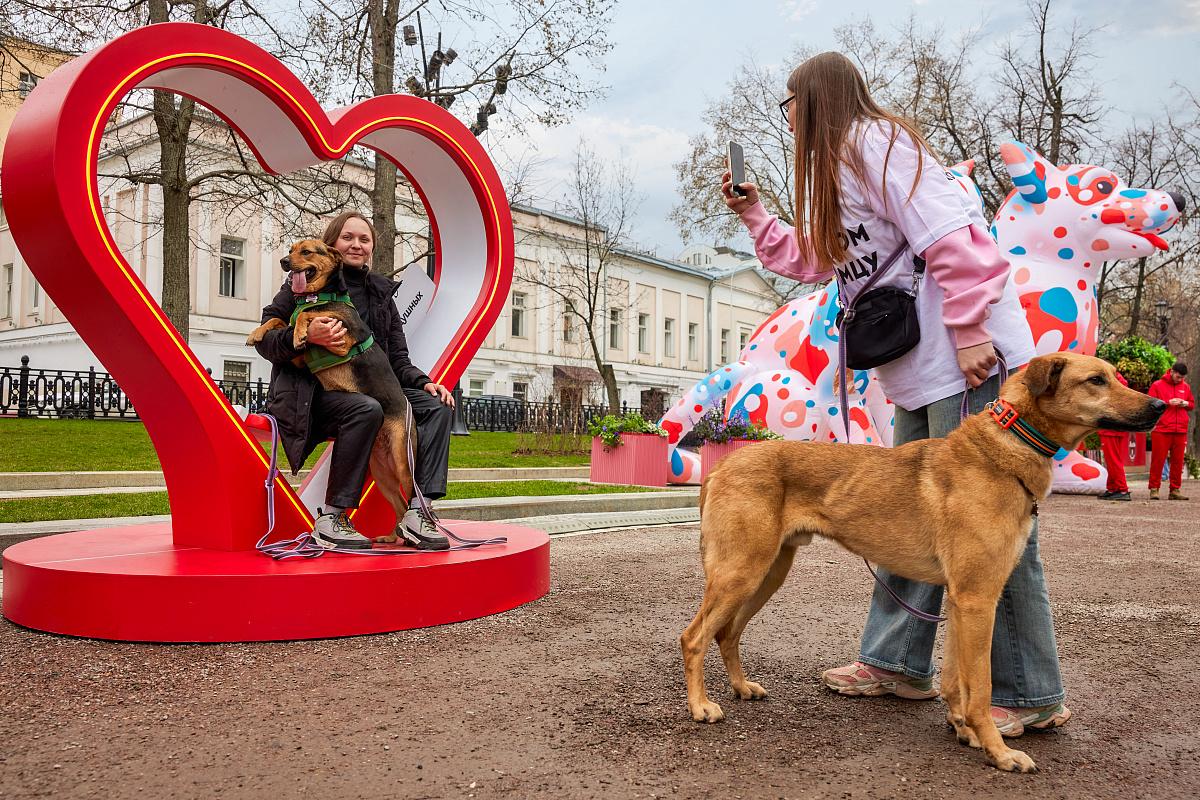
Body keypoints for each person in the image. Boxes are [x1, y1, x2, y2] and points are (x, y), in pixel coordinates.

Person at [720, 52, 1068, 736]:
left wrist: (970, 330)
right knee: (904, 513)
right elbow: (816, 258)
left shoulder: (878, 144)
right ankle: (896, 665)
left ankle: (1029, 691)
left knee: (992, 531)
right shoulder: (834, 172)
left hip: (965, 357)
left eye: (791, 107)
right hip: (914, 365)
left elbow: (956, 237)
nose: (789, 121)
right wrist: (755, 212)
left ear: (817, 100)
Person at [255, 211, 456, 550]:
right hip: (312, 396)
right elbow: (265, 341)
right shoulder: (301, 283)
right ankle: (332, 517)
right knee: (367, 408)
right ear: (332, 245)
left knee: (437, 406)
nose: (357, 245)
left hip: (368, 387)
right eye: (348, 237)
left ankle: (418, 514)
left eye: (364, 240)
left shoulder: (381, 294)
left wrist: (423, 382)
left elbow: (396, 360)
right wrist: (306, 338)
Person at [1147, 362, 1193, 501]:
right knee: (1158, 460)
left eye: (1182, 377)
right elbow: (1150, 404)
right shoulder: (1157, 385)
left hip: (1180, 430)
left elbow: (1191, 404)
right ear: (1171, 372)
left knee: (1178, 462)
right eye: (1178, 377)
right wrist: (1168, 402)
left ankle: (1175, 490)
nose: (1180, 380)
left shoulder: (1185, 386)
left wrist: (1185, 403)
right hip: (1162, 429)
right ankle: (1154, 489)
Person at [1098, 371, 1132, 501]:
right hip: (1118, 429)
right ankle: (1113, 488)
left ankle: (1122, 490)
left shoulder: (1110, 385)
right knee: (1113, 459)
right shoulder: (1120, 385)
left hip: (1109, 429)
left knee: (1113, 460)